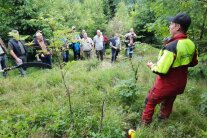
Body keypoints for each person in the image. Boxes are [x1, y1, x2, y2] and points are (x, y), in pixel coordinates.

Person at [141, 13, 198, 125]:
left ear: (177, 27)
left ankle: (145, 125)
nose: (169, 26)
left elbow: (161, 70)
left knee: (150, 101)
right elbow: (194, 62)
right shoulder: (191, 44)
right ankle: (163, 120)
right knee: (169, 100)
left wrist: (151, 65)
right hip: (180, 84)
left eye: (171, 24)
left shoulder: (171, 46)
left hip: (166, 83)